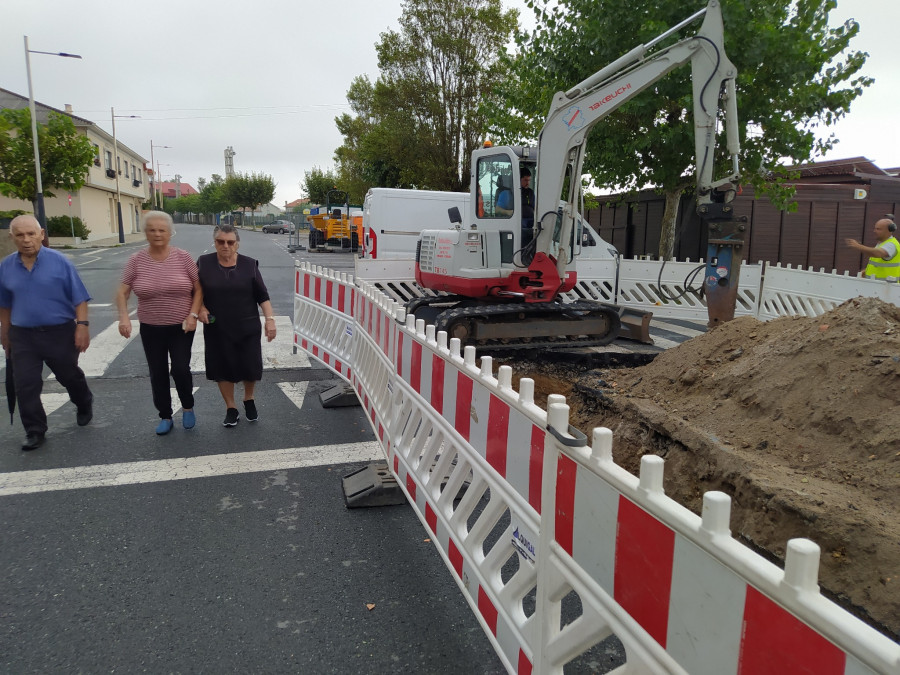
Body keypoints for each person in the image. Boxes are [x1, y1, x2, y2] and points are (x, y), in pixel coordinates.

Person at [0, 215, 93, 450]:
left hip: (59, 332)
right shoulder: (5, 267)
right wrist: (5, 332)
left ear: (41, 234)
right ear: (12, 238)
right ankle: (34, 430)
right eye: (20, 235)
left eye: (31, 234)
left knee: (68, 375)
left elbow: (80, 298)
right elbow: (5, 304)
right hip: (23, 336)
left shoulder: (60, 262)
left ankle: (83, 400)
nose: (26, 240)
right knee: (26, 384)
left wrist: (82, 326)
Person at [116, 211, 202, 434]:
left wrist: (193, 315)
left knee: (181, 369)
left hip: (181, 325)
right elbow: (123, 291)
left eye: (161, 230)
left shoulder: (183, 257)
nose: (157, 234)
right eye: (152, 229)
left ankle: (187, 407)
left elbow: (198, 287)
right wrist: (124, 317)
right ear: (145, 233)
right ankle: (165, 415)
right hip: (151, 327)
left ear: (170, 233)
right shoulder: (136, 260)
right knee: (158, 371)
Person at [196, 224, 276, 427]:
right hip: (217, 327)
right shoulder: (204, 264)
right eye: (220, 242)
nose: (225, 246)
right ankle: (230, 407)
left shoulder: (249, 265)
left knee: (249, 366)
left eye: (230, 242)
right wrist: (201, 308)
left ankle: (249, 398)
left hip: (246, 325)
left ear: (237, 244)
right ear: (214, 242)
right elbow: (195, 291)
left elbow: (262, 296)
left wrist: (270, 320)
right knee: (222, 366)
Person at [845, 216, 900, 281]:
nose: (874, 231)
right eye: (875, 228)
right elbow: (879, 263)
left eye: (878, 229)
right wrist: (866, 271)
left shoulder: (891, 244)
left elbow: (877, 253)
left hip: (886, 287)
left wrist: (858, 246)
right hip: (879, 285)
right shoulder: (882, 243)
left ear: (889, 231)